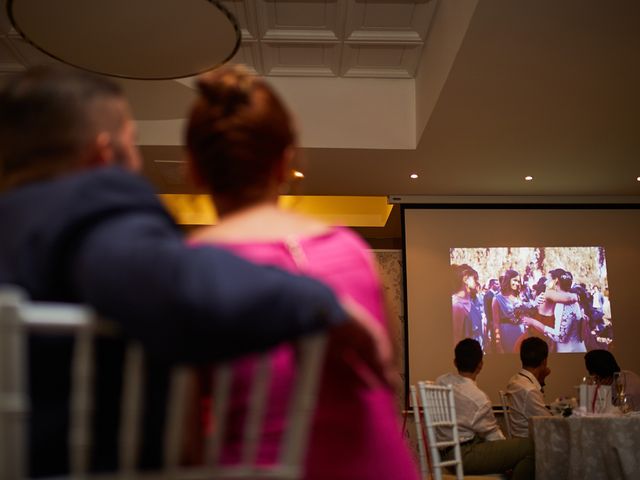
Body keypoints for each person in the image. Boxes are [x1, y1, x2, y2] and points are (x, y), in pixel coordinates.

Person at [0, 66, 393, 477]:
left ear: (195, 170)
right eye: (133, 145)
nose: (136, 162)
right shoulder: (97, 220)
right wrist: (319, 300)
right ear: (102, 155)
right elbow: (173, 285)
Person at [184, 65, 419, 480]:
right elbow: (386, 374)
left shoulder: (187, 266)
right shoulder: (351, 249)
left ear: (195, 170)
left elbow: (182, 438)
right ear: (284, 163)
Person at [436, 339, 534, 479]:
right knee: (530, 448)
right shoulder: (478, 398)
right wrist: (507, 454)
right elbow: (492, 436)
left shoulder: (441, 381)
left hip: (445, 455)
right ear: (480, 365)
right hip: (464, 456)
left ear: (455, 362)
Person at [523, 269, 585, 352]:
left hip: (568, 351)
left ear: (556, 281)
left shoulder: (563, 304)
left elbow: (559, 336)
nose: (545, 283)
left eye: (548, 280)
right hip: (577, 348)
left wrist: (533, 322)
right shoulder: (571, 300)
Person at [505, 337, 552, 438]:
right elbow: (548, 422)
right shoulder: (529, 390)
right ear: (544, 361)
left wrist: (541, 380)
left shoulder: (515, 380)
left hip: (517, 438)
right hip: (529, 442)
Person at [492, 270, 526, 353]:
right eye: (514, 280)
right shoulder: (497, 299)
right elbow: (496, 323)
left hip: (521, 332)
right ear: (508, 280)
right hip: (506, 334)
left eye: (518, 281)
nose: (517, 283)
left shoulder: (519, 298)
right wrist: (498, 344)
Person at [451, 264, 484, 348]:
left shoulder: (470, 302)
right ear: (465, 279)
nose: (477, 282)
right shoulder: (457, 306)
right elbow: (456, 338)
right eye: (475, 279)